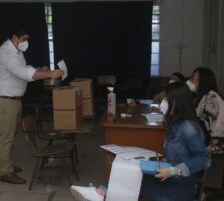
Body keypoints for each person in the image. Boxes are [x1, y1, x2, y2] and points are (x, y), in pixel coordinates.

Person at [70, 82, 211, 201]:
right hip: (169, 178)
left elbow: (204, 159)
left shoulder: (188, 127)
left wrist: (173, 170)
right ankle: (100, 192)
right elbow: (176, 155)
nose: (163, 102)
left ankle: (99, 193)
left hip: (180, 186)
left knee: (130, 181)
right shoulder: (174, 124)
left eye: (166, 99)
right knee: (129, 171)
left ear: (176, 102)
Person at [0, 25, 63, 184]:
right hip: (4, 102)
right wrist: (50, 74)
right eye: (24, 39)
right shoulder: (7, 54)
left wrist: (39, 69)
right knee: (5, 137)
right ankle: (5, 172)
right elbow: (24, 74)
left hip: (11, 101)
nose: (26, 42)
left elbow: (22, 69)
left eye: (27, 39)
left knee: (9, 135)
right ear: (14, 38)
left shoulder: (17, 52)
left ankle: (5, 164)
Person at [187, 67, 224, 154]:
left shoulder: (211, 99)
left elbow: (202, 125)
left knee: (187, 151)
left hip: (223, 141)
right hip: (213, 137)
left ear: (203, 82)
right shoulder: (201, 97)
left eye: (193, 79)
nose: (190, 81)